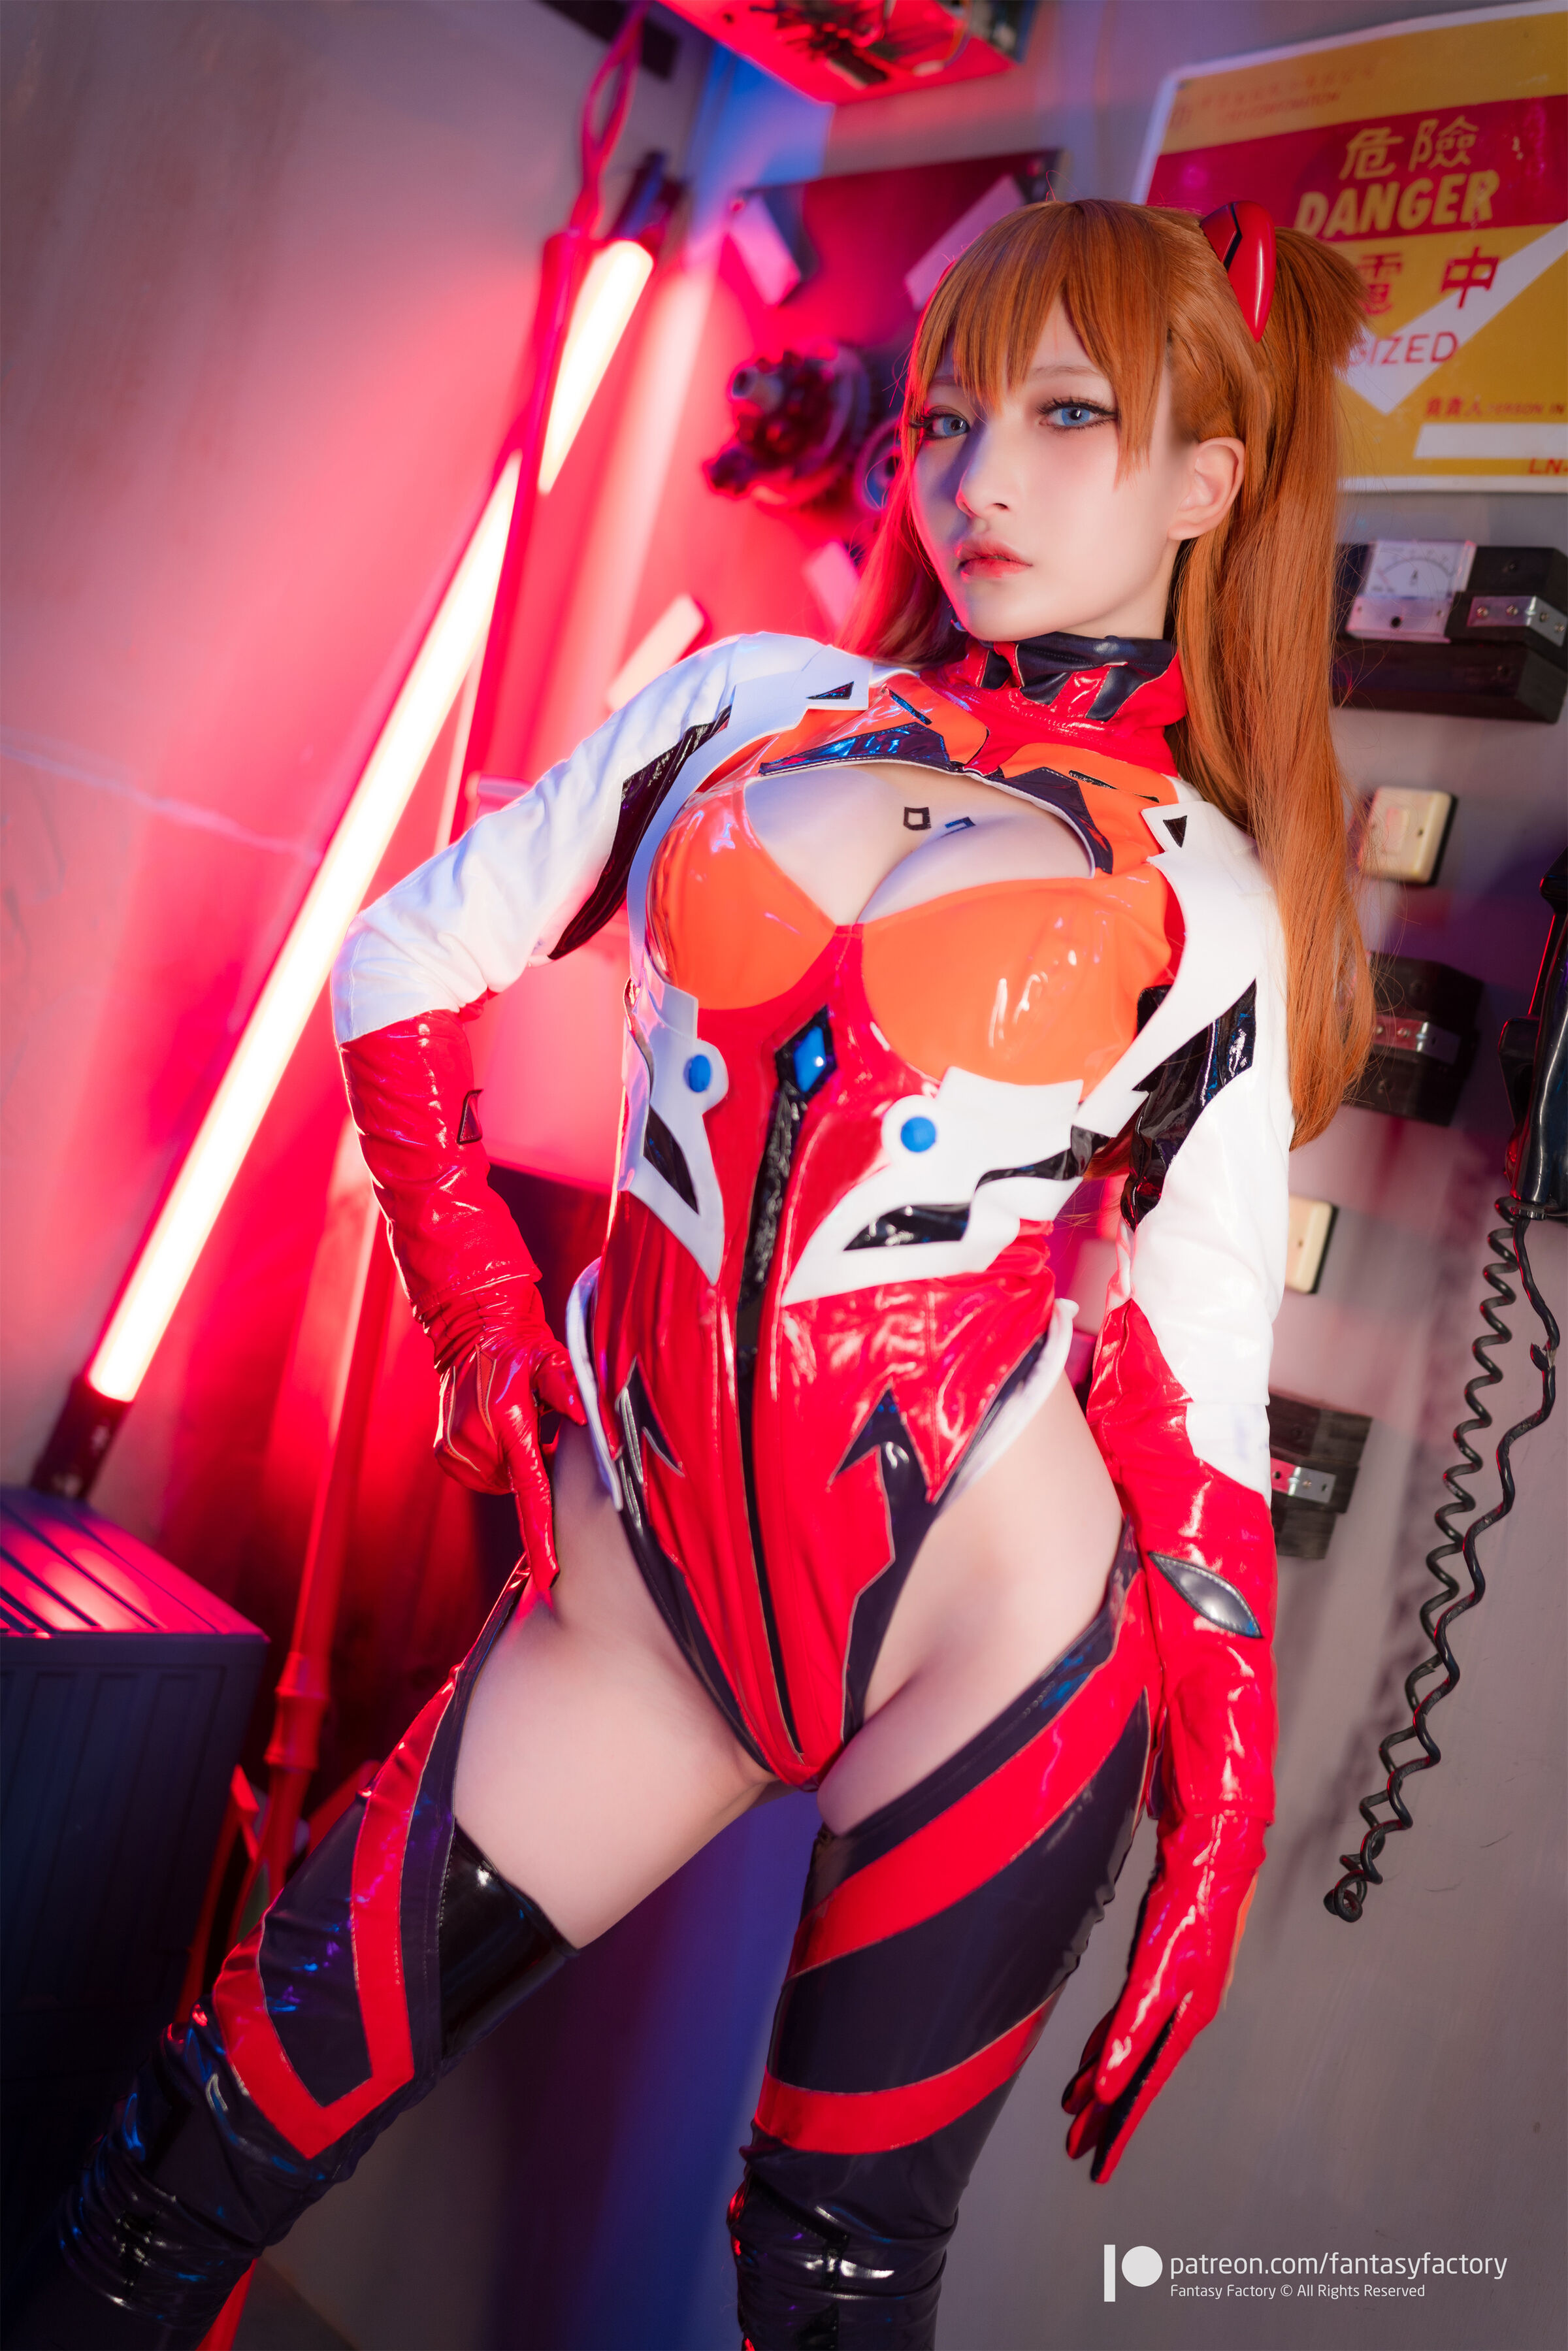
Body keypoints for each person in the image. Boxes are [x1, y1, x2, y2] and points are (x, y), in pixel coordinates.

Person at [10, 197, 1370, 2351]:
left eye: (1066, 419)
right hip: (641, 1589)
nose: (978, 479)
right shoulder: (749, 704)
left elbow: (1195, 1381)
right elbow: (402, 958)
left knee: (826, 2279)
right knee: (203, 2140)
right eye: (945, 420)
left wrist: (1220, 1809)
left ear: (1208, 482)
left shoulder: (1214, 893)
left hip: (991, 1624)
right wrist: (486, 1333)